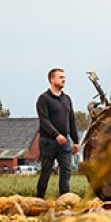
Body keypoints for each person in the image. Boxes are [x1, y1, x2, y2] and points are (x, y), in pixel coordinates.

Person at [35, 67, 78, 198]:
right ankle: (39, 197)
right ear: (52, 79)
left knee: (66, 170)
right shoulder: (44, 99)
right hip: (48, 141)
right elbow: (44, 120)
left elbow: (71, 121)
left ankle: (64, 198)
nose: (64, 79)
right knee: (46, 171)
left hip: (64, 142)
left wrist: (75, 141)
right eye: (60, 77)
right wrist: (56, 135)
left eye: (64, 77)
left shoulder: (67, 99)